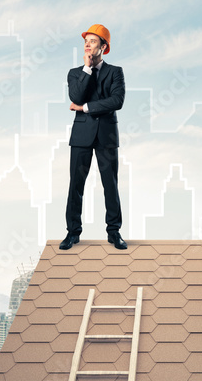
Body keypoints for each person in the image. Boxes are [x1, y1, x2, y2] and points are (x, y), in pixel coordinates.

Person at [59, 24, 127, 250]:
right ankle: (72, 232)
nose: (87, 45)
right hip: (81, 136)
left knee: (111, 185)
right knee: (76, 185)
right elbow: (76, 94)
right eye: (85, 41)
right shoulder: (75, 73)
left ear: (104, 47)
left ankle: (114, 232)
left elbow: (117, 101)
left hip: (106, 136)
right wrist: (87, 70)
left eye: (93, 41)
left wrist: (85, 107)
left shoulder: (115, 72)